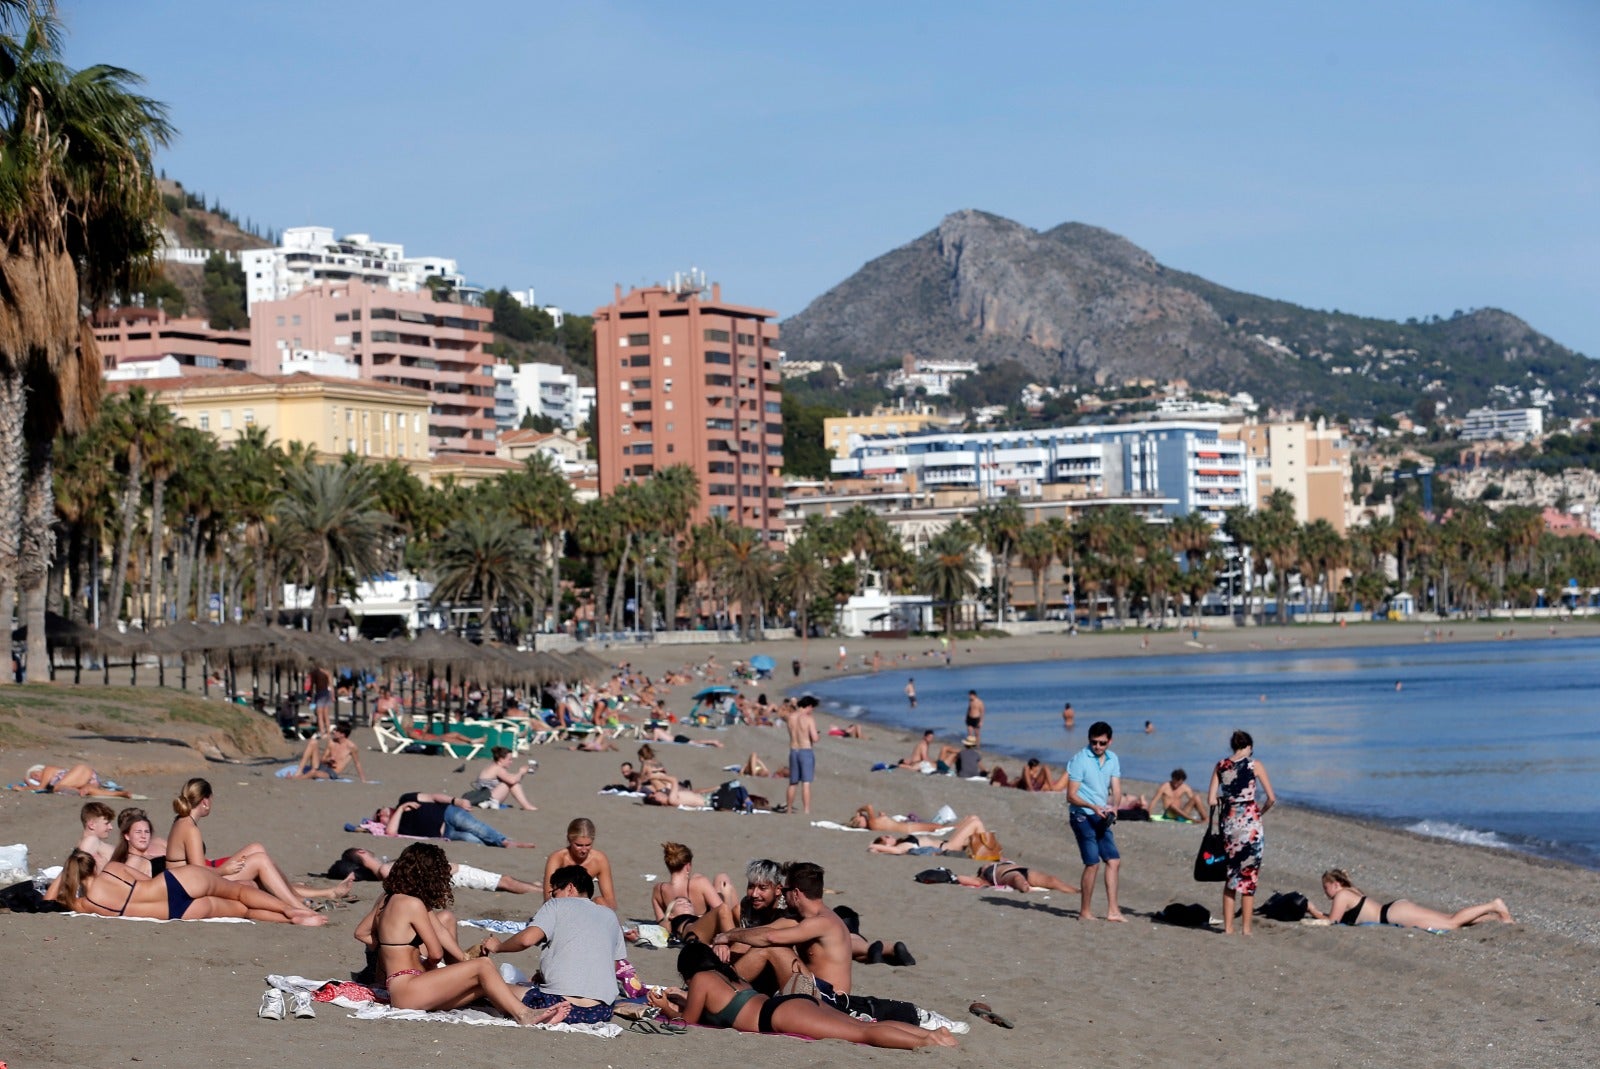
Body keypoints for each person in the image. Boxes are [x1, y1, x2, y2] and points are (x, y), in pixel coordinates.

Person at [714, 861, 957, 1031]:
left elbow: (770, 940)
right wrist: (732, 938)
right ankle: (722, 986)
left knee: (771, 949)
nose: (782, 895)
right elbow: (767, 931)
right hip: (810, 988)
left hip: (829, 998)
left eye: (785, 890)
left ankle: (721, 990)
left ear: (796, 893)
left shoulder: (823, 922)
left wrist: (728, 936)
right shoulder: (803, 918)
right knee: (766, 949)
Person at [354, 843, 560, 1026]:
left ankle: (514, 1011)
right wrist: (423, 966)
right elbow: (435, 953)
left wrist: (387, 950)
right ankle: (525, 1014)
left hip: (397, 987)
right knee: (483, 965)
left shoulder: (387, 898)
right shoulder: (414, 904)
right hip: (410, 988)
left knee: (483, 985)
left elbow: (361, 933)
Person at [660, 941, 956, 1049]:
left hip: (778, 1015)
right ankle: (934, 1034)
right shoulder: (728, 975)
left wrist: (665, 1006)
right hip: (790, 1004)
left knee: (862, 1035)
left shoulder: (699, 979)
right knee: (864, 1027)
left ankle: (928, 1040)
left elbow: (688, 1021)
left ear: (689, 969)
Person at [167, 778, 352, 911]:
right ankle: (298, 905)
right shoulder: (190, 829)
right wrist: (225, 870)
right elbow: (199, 873)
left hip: (189, 880)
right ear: (205, 801)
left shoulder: (182, 822)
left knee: (256, 848)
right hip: (191, 886)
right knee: (261, 861)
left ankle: (314, 894)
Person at [475, 864, 629, 1024]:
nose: (552, 897)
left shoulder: (556, 905)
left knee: (487, 985)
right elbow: (614, 966)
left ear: (569, 888)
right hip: (601, 1011)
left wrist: (498, 946)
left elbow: (526, 940)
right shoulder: (610, 916)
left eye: (554, 892)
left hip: (557, 1004)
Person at [53, 849, 325, 924]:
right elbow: (145, 881)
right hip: (173, 883)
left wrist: (66, 878)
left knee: (242, 910)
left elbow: (51, 900)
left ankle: (294, 922)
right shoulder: (111, 870)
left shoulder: (85, 904)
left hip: (175, 911)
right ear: (93, 865)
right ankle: (291, 910)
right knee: (242, 891)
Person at [1206, 730, 1278, 935]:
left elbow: (1211, 799)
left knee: (1231, 876)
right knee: (1249, 876)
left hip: (1230, 824)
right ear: (1249, 746)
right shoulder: (1255, 765)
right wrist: (1259, 812)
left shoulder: (1221, 765)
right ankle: (1246, 929)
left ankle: (1228, 928)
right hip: (1250, 825)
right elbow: (1271, 798)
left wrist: (1227, 800)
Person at [1307, 868, 1513, 930]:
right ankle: (1495, 918)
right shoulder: (1351, 892)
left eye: (1326, 888)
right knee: (1450, 919)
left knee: (1451, 923)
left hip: (1394, 914)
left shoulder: (1342, 895)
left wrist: (1313, 911)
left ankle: (1494, 905)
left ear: (1335, 884)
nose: (1326, 893)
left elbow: (1332, 922)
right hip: (1395, 910)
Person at [1065, 721, 1125, 922]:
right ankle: (1085, 912)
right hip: (1082, 814)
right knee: (1092, 863)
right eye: (1094, 743)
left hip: (1101, 815)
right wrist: (1093, 807)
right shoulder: (1080, 760)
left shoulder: (1112, 759)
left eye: (1102, 743)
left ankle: (1113, 911)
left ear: (1110, 741)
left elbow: (1116, 789)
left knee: (1113, 861)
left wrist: (1114, 807)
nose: (1098, 747)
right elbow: (1071, 795)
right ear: (1089, 740)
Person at [334, 846, 542, 895]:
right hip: (453, 874)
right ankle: (540, 891)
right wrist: (445, 869)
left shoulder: (386, 869)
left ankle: (537, 887)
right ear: (362, 852)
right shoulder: (387, 869)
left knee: (503, 880)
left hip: (450, 874)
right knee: (504, 881)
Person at [374, 792, 536, 848]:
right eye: (379, 818)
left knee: (476, 827)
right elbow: (390, 833)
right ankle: (502, 842)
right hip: (446, 832)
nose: (382, 815)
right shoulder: (398, 823)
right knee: (475, 840)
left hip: (447, 812)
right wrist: (401, 810)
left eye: (380, 812)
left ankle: (506, 841)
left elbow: (433, 796)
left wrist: (455, 801)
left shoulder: (405, 798)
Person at [542, 818, 619, 911]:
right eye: (578, 845)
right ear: (569, 840)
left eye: (588, 845)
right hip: (561, 904)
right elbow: (548, 896)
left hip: (585, 905)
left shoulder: (599, 860)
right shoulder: (558, 858)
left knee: (600, 901)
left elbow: (610, 900)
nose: (583, 850)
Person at [651, 842, 726, 922]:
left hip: (679, 928)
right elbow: (723, 912)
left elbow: (661, 922)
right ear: (688, 866)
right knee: (722, 880)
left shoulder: (658, 890)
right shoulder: (700, 883)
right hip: (702, 928)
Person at [867, 816, 994, 856]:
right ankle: (990, 853)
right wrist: (875, 846)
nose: (889, 835)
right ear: (887, 844)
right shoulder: (904, 845)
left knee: (972, 818)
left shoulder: (904, 841)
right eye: (886, 837)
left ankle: (985, 850)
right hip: (949, 847)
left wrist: (876, 847)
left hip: (947, 843)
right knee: (976, 823)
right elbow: (896, 850)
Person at [289, 721, 368, 781]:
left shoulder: (351, 747)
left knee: (313, 772)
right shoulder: (331, 742)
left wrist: (363, 780)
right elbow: (323, 759)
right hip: (322, 766)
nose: (334, 732)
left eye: (337, 731)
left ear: (342, 734)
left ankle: (295, 778)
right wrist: (328, 760)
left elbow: (357, 763)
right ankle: (298, 772)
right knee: (313, 742)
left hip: (332, 772)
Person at [784, 694, 820, 815]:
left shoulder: (790, 717)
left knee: (793, 782)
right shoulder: (808, 719)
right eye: (812, 708)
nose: (812, 711)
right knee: (806, 782)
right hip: (805, 750)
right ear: (809, 706)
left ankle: (789, 808)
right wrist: (816, 735)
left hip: (794, 750)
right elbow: (814, 738)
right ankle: (806, 810)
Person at [469, 747, 537, 810]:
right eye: (509, 760)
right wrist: (521, 772)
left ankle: (526, 805)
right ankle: (526, 806)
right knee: (510, 783)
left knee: (512, 781)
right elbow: (512, 781)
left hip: (484, 797)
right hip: (488, 798)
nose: (511, 762)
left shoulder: (492, 766)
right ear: (501, 760)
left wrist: (521, 774)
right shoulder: (498, 768)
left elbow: (512, 777)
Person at [957, 860, 1081, 894]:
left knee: (1052, 880)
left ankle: (1076, 891)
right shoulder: (983, 875)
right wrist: (955, 877)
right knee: (1017, 879)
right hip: (1005, 875)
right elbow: (974, 882)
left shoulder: (999, 862)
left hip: (1023, 870)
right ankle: (1026, 888)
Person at [110, 807, 165, 878]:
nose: (143, 836)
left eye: (147, 832)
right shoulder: (133, 861)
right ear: (127, 836)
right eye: (138, 832)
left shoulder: (159, 843)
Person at [21, 762, 131, 798]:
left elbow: (40, 788)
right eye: (33, 778)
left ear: (40, 769)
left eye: (35, 774)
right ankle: (119, 793)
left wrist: (26, 785)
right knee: (87, 789)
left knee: (57, 787)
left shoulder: (48, 769)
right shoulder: (50, 783)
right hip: (85, 780)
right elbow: (41, 787)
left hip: (82, 771)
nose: (35, 777)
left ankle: (77, 791)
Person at [989, 756, 1054, 791]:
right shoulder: (1028, 771)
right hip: (1030, 787)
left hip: (1035, 785)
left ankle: (1051, 788)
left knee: (1045, 767)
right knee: (1026, 768)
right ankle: (1031, 789)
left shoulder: (1035, 775)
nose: (1038, 767)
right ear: (1034, 766)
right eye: (1038, 766)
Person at [308, 663, 334, 737]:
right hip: (327, 693)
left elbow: (312, 685)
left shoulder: (314, 672)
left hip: (320, 693)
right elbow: (331, 685)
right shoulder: (327, 672)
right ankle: (328, 732)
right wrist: (332, 696)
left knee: (319, 715)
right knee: (326, 715)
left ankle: (322, 732)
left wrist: (310, 696)